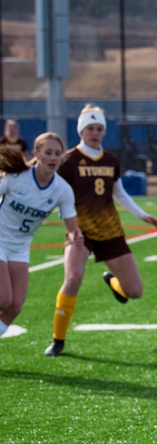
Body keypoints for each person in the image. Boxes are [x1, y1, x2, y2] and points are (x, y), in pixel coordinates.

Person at [44, 105, 157, 357]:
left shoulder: (110, 161)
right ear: (81, 130)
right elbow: (51, 186)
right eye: (90, 128)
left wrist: (142, 215)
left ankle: (113, 281)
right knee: (73, 278)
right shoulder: (67, 160)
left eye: (99, 129)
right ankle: (58, 340)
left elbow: (119, 192)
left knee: (135, 291)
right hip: (80, 231)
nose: (95, 133)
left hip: (110, 230)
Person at [0, 133, 83, 339]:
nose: (53, 158)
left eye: (57, 153)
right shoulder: (16, 178)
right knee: (3, 298)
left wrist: (76, 236)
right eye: (48, 152)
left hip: (19, 247)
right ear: (37, 154)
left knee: (15, 306)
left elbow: (72, 227)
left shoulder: (62, 190)